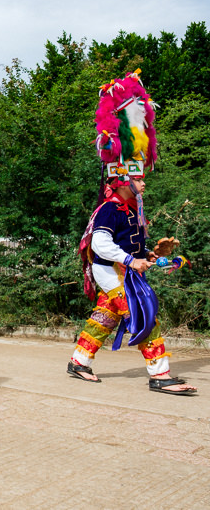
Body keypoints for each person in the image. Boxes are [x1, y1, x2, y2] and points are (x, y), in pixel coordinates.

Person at [69, 70, 196, 395]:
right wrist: (130, 259)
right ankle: (160, 375)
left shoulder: (131, 209)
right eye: (137, 180)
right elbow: (100, 243)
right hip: (110, 270)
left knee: (107, 315)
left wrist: (152, 254)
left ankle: (79, 360)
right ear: (122, 180)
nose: (143, 184)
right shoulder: (110, 209)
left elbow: (130, 244)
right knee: (145, 314)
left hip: (124, 268)